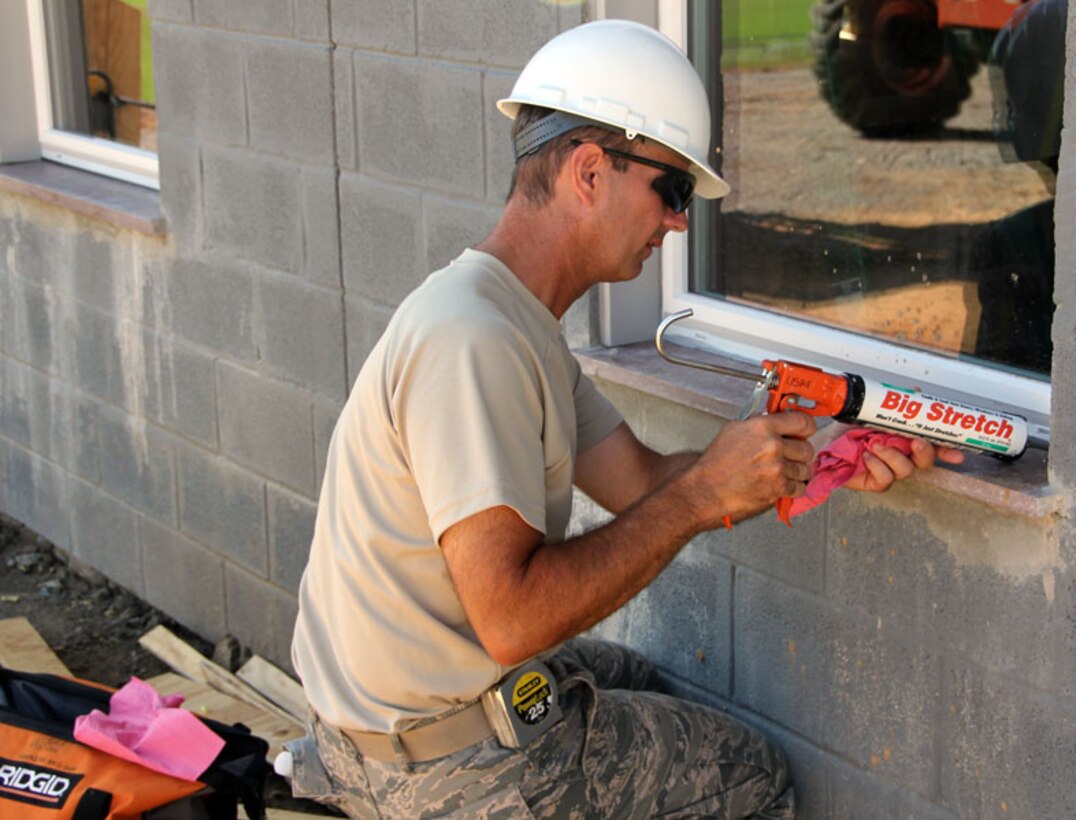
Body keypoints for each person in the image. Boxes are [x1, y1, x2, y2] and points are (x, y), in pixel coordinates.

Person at [285, 19, 962, 819]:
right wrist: (701, 495)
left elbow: (640, 481)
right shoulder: (475, 343)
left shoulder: (509, 318)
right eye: (672, 191)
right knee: (751, 776)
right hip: (430, 766)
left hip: (395, 713)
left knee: (638, 681)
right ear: (590, 171)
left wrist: (816, 448)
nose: (679, 222)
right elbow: (513, 620)